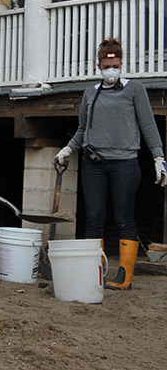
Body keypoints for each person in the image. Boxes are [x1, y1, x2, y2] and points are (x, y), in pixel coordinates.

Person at [53, 37, 167, 291]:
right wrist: (68, 148)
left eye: (114, 64)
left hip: (125, 164)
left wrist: (158, 157)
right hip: (94, 164)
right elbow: (84, 128)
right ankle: (94, 273)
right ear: (99, 66)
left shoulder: (134, 90)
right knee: (94, 218)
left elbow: (148, 125)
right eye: (106, 64)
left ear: (121, 63)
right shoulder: (91, 93)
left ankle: (123, 277)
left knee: (124, 217)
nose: (110, 69)